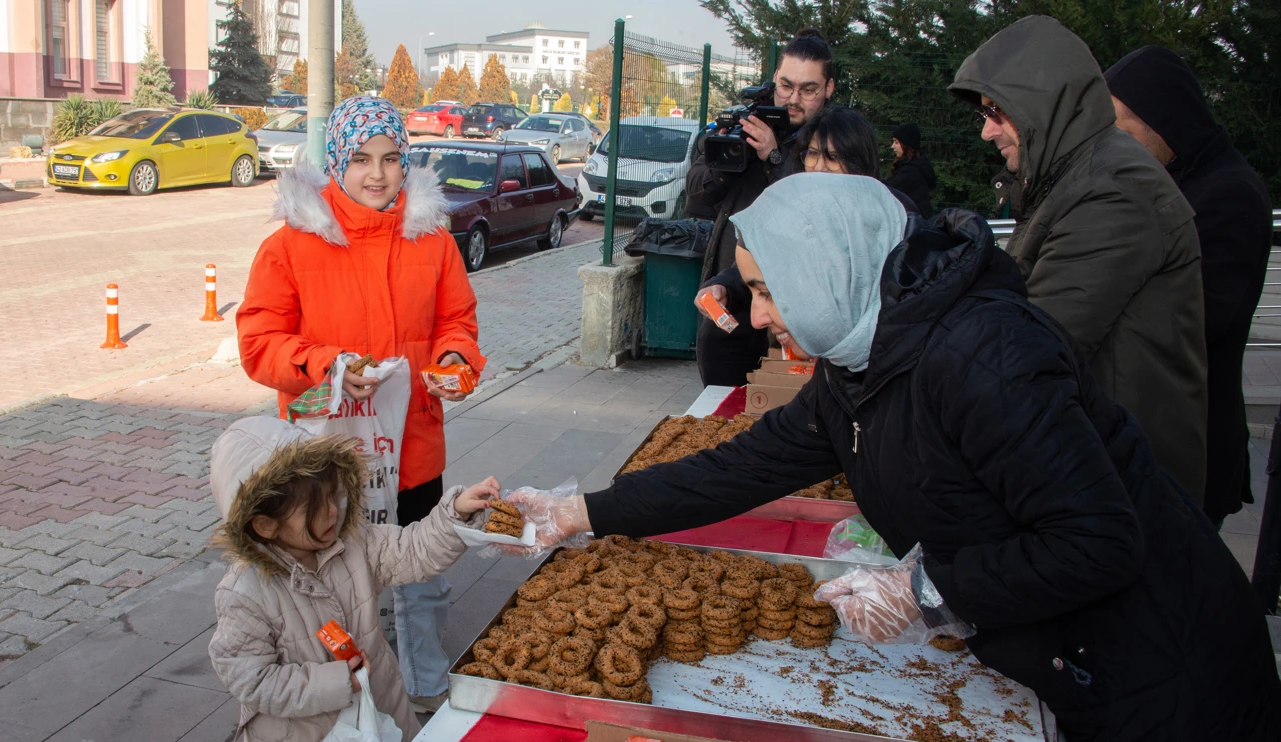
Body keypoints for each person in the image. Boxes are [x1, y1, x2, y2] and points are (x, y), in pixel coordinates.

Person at [515, 175, 1281, 740]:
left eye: (764, 290)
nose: (754, 316)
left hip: (1166, 674)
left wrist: (926, 587)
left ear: (827, 271)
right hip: (1076, 660)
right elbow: (740, 467)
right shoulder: (860, 363)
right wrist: (584, 510)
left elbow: (1099, 542)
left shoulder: (983, 354)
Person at [237, 96, 484, 712]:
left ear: (408, 163)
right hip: (326, 457)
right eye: (362, 159)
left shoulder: (432, 242)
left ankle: (427, 689)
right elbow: (259, 342)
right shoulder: (292, 246)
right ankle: (352, 694)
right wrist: (327, 368)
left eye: (392, 159)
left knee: (423, 571)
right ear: (336, 164)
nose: (378, 174)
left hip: (414, 450)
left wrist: (453, 366)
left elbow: (458, 323)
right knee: (341, 580)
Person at [947, 16, 1209, 501]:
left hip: (1125, 489)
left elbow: (1033, 343)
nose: (986, 133)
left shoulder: (1113, 188)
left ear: (1041, 106)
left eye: (995, 112)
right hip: (1096, 468)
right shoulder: (1068, 179)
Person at [206, 416, 499, 742]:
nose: (332, 511)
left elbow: (413, 549)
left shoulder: (355, 544)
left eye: (333, 496)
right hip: (304, 731)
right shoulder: (245, 593)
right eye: (314, 507)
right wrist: (335, 682)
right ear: (265, 525)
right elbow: (252, 678)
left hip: (382, 707)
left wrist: (455, 514)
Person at [1105, 46, 1274, 527]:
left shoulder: (1228, 193)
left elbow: (1196, 317)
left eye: (1120, 124)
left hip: (1192, 440)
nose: (1115, 139)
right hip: (1166, 434)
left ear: (1162, 120)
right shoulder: (1183, 178)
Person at [693, 106, 912, 369]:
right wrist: (724, 286)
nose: (819, 167)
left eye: (833, 157)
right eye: (813, 154)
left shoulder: (892, 214)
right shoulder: (795, 208)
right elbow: (764, 261)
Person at [687, 27, 835, 387]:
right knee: (720, 410)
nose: (793, 99)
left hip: (793, 318)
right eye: (786, 86)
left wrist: (773, 155)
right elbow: (696, 194)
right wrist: (723, 159)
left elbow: (810, 204)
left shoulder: (833, 136)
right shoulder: (749, 119)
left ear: (829, 89)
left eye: (808, 89)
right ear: (774, 79)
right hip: (731, 299)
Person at [883, 122, 936, 217]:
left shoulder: (911, 171)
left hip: (914, 223)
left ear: (906, 144)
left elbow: (888, 189)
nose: (892, 146)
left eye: (896, 142)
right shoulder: (913, 165)